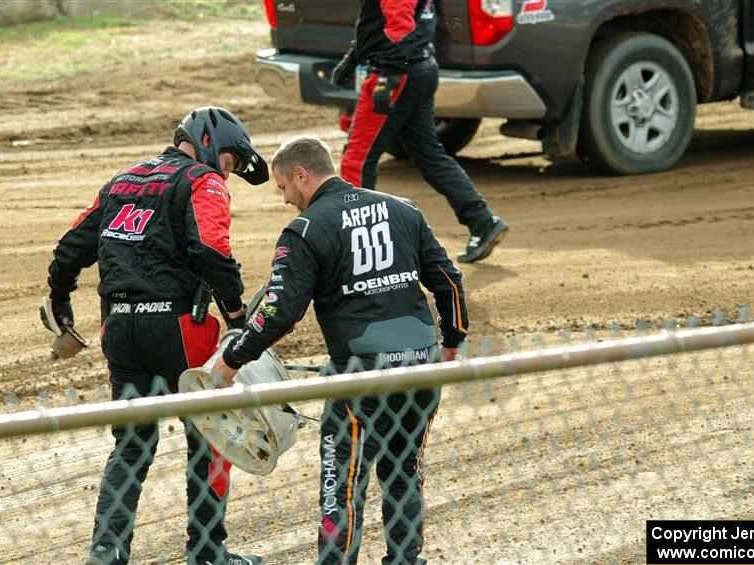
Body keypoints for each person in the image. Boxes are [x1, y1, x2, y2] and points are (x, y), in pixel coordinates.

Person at [209, 136, 469, 564]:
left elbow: (279, 311)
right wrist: (453, 344)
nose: (287, 199)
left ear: (301, 174)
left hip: (357, 378)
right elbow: (449, 280)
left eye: (283, 188)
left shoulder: (306, 229)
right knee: (403, 470)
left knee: (341, 484)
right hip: (421, 367)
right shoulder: (403, 209)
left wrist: (233, 359)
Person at [41, 107, 268, 565]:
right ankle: (207, 553)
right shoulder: (203, 181)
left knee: (131, 443)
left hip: (120, 328)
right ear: (208, 142)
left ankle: (106, 551)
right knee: (210, 438)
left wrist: (60, 297)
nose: (228, 172)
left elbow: (70, 248)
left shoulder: (121, 181)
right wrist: (238, 312)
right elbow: (210, 247)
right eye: (229, 161)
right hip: (183, 326)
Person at [331, 0, 509, 264]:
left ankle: (357, 250)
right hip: (418, 67)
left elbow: (400, 26)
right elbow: (383, 21)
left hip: (396, 73)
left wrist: (387, 76)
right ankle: (482, 221)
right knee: (430, 156)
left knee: (357, 160)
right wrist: (353, 59)